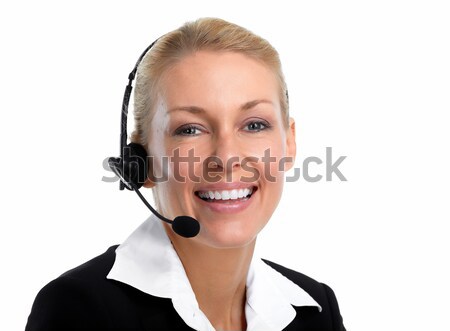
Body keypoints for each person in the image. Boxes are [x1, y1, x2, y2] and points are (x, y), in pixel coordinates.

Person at [25, 17, 346, 331]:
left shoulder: (316, 311)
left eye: (254, 125)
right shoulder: (79, 310)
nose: (226, 157)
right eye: (190, 129)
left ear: (288, 144)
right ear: (140, 162)